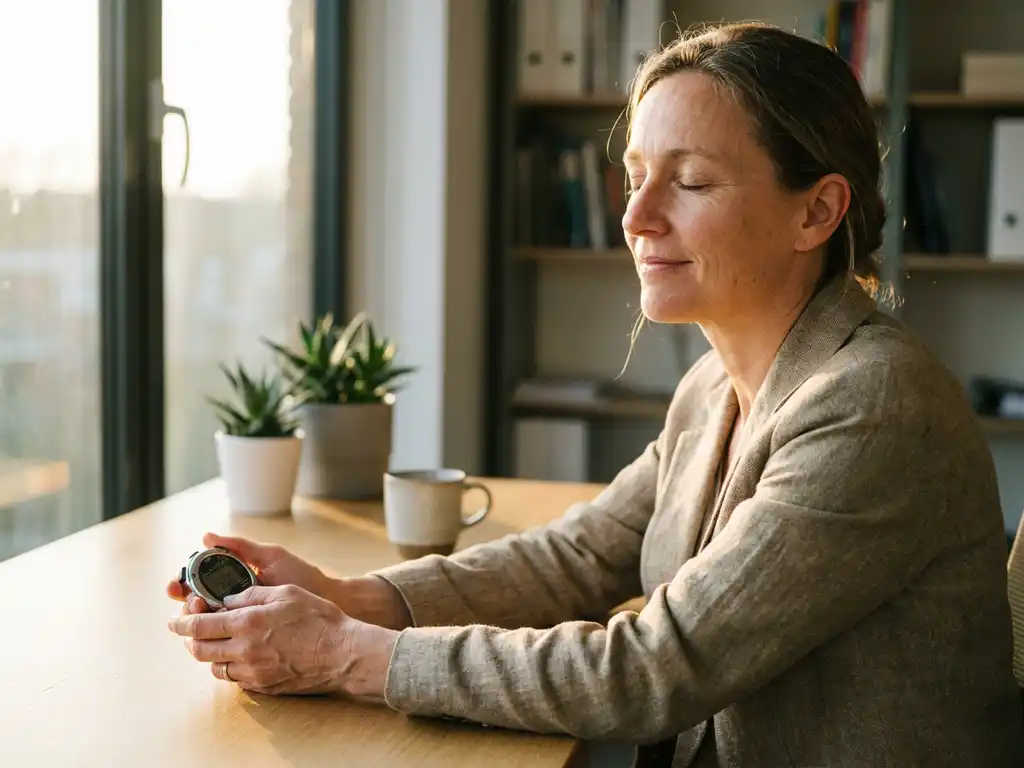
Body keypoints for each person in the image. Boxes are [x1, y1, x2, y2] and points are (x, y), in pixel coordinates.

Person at [166, 22, 1023, 767]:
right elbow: (578, 556)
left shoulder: (872, 404)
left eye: (689, 182)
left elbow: (653, 668)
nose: (636, 216)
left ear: (816, 212)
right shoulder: (715, 387)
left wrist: (350, 656)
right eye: (637, 173)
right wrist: (355, 597)